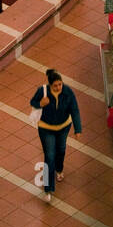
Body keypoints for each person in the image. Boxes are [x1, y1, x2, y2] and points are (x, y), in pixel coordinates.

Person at [29, 68, 82, 203]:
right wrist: (41, 103)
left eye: (60, 84)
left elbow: (74, 110)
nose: (58, 87)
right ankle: (48, 189)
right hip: (46, 129)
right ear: (50, 85)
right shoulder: (42, 91)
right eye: (55, 85)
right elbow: (32, 102)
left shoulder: (68, 92)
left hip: (63, 127)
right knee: (49, 156)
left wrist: (78, 129)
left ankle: (59, 169)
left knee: (61, 150)